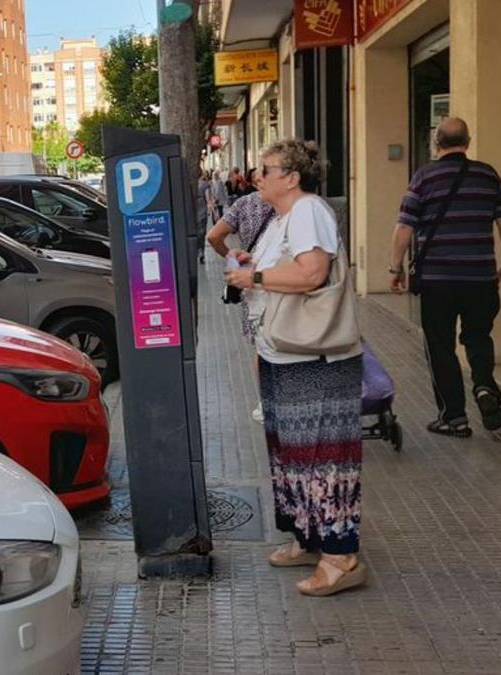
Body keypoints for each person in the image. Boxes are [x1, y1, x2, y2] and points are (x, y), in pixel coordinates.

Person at [225, 138, 365, 597]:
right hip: (284, 355)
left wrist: (256, 276)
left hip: (314, 360)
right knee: (293, 455)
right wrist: (252, 262)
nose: (256, 176)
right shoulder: (282, 218)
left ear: (291, 176)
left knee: (323, 457)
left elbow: (311, 274)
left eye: (266, 169)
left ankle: (341, 557)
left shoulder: (308, 211)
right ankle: (308, 537)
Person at [389, 117, 501, 437]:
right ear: (468, 141)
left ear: (437, 143)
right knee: (478, 337)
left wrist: (396, 267)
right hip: (480, 276)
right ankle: (485, 387)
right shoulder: (488, 175)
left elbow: (404, 226)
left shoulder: (423, 177)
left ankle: (454, 417)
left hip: (437, 279)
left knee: (440, 345)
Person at [205, 168, 276, 422]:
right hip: (283, 283)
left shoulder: (244, 204)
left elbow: (213, 236)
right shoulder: (291, 207)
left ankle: (265, 401)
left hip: (253, 284)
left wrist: (232, 256)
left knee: (262, 345)